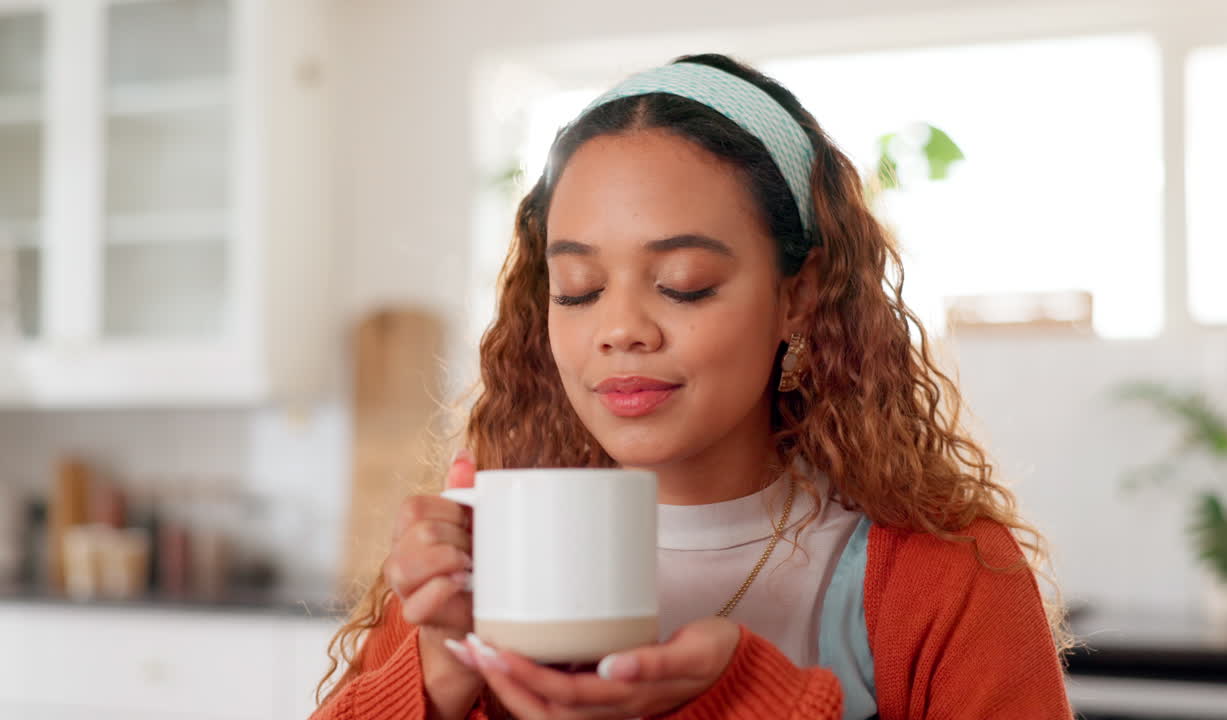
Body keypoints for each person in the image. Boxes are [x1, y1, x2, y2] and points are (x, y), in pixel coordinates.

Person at [311, 52, 1074, 720]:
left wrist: (741, 694)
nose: (621, 330)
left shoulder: (949, 579)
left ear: (798, 296)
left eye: (684, 283)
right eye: (577, 288)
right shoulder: (479, 565)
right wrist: (438, 678)